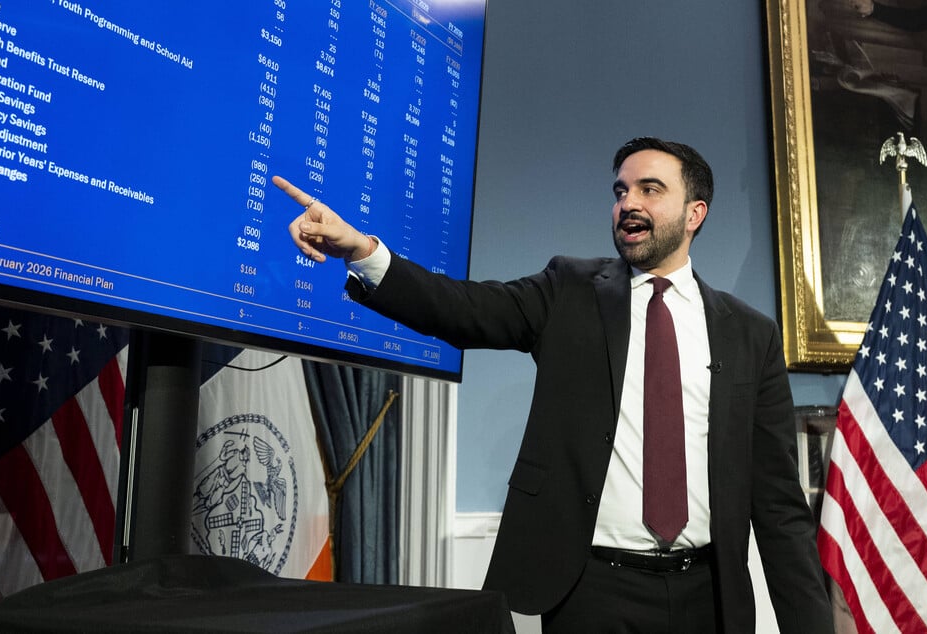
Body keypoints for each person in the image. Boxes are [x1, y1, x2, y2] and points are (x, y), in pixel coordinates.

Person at [274, 137, 834, 633]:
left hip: (707, 595)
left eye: (650, 189)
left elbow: (780, 506)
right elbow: (463, 310)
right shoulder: (569, 289)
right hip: (590, 591)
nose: (628, 204)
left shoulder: (750, 335)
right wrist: (365, 252)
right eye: (620, 191)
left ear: (695, 213)